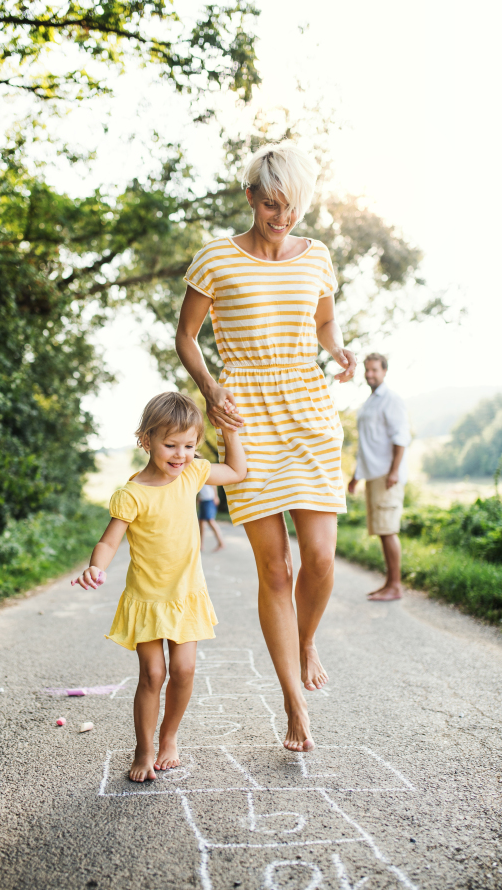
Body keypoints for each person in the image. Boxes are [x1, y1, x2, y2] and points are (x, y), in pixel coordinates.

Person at [175, 141, 356, 753]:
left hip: (308, 409)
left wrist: (336, 349)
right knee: (275, 569)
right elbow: (187, 335)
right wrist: (209, 388)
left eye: (293, 208)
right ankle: (293, 700)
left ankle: (308, 640)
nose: (282, 218)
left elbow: (323, 321)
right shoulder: (216, 260)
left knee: (322, 559)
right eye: (273, 204)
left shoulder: (318, 258)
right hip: (247, 413)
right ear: (251, 196)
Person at [71, 392, 246, 782]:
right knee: (153, 674)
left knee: (184, 671)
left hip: (186, 596)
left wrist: (229, 431)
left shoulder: (193, 472)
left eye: (189, 445)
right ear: (145, 439)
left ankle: (169, 739)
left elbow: (236, 471)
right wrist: (96, 567)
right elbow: (109, 541)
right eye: (171, 445)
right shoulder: (131, 493)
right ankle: (144, 748)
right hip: (148, 599)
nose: (181, 454)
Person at [348, 354, 411, 602]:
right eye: (367, 370)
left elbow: (401, 437)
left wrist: (394, 471)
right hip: (373, 474)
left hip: (387, 475)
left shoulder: (391, 400)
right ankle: (388, 583)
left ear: (384, 371)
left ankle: (395, 586)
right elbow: (366, 445)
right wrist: (356, 477)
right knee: (382, 530)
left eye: (374, 370)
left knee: (388, 530)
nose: (369, 374)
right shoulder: (371, 402)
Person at [198, 481, 225, 551]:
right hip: (203, 500)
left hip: (209, 499)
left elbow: (214, 484)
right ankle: (201, 545)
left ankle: (221, 543)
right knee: (201, 522)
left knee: (210, 521)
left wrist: (216, 496)